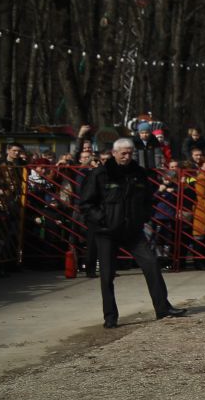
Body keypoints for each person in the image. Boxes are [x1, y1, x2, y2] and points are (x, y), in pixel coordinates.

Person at [77, 137, 186, 328]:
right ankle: (110, 316)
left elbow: (147, 199)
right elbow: (86, 204)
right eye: (123, 153)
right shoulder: (100, 174)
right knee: (107, 274)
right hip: (106, 231)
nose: (127, 157)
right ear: (114, 153)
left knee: (151, 264)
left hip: (132, 230)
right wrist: (102, 218)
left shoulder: (138, 174)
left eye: (130, 153)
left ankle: (163, 308)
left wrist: (144, 216)